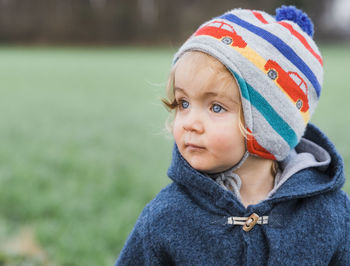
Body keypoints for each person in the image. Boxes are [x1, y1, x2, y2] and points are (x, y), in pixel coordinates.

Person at [115, 5, 350, 265]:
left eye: (216, 107)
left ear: (270, 128)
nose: (190, 123)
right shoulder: (166, 217)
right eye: (183, 103)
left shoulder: (331, 215)